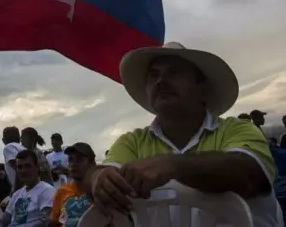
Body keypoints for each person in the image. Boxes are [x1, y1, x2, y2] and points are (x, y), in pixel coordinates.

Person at [87, 42, 282, 226]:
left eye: (174, 73)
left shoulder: (238, 129)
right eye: (153, 75)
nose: (161, 81)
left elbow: (250, 175)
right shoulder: (131, 142)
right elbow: (98, 176)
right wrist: (98, 178)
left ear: (203, 89)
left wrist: (172, 165)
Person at [0, 150, 55, 227]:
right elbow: (4, 220)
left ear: (37, 167)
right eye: (20, 167)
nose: (23, 170)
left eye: (28, 166)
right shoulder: (17, 194)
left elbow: (46, 221)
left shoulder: (47, 191)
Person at [49, 143, 96, 227]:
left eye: (79, 160)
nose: (73, 164)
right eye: (71, 160)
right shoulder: (61, 192)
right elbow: (54, 222)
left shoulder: (99, 190)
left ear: (92, 164)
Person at [2, 127, 24, 192]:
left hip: (21, 188)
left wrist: (16, 190)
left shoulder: (9, 147)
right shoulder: (22, 147)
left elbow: (19, 169)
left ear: (4, 139)